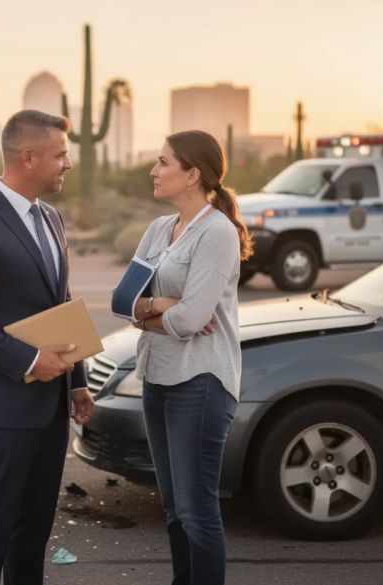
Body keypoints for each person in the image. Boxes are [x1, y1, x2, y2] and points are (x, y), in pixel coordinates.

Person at [0, 109, 96, 585]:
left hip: (51, 405)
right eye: (60, 154)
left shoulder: (51, 217)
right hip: (2, 406)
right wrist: (28, 359)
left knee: (33, 534)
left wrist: (76, 381)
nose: (67, 164)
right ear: (28, 157)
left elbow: (59, 301)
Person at [128, 130, 252, 585]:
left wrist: (158, 309)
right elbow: (126, 303)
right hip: (157, 377)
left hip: (199, 383)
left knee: (197, 512)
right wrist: (163, 307)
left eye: (163, 162)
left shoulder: (217, 232)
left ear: (192, 174)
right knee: (174, 510)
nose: (154, 171)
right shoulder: (160, 229)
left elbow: (191, 320)